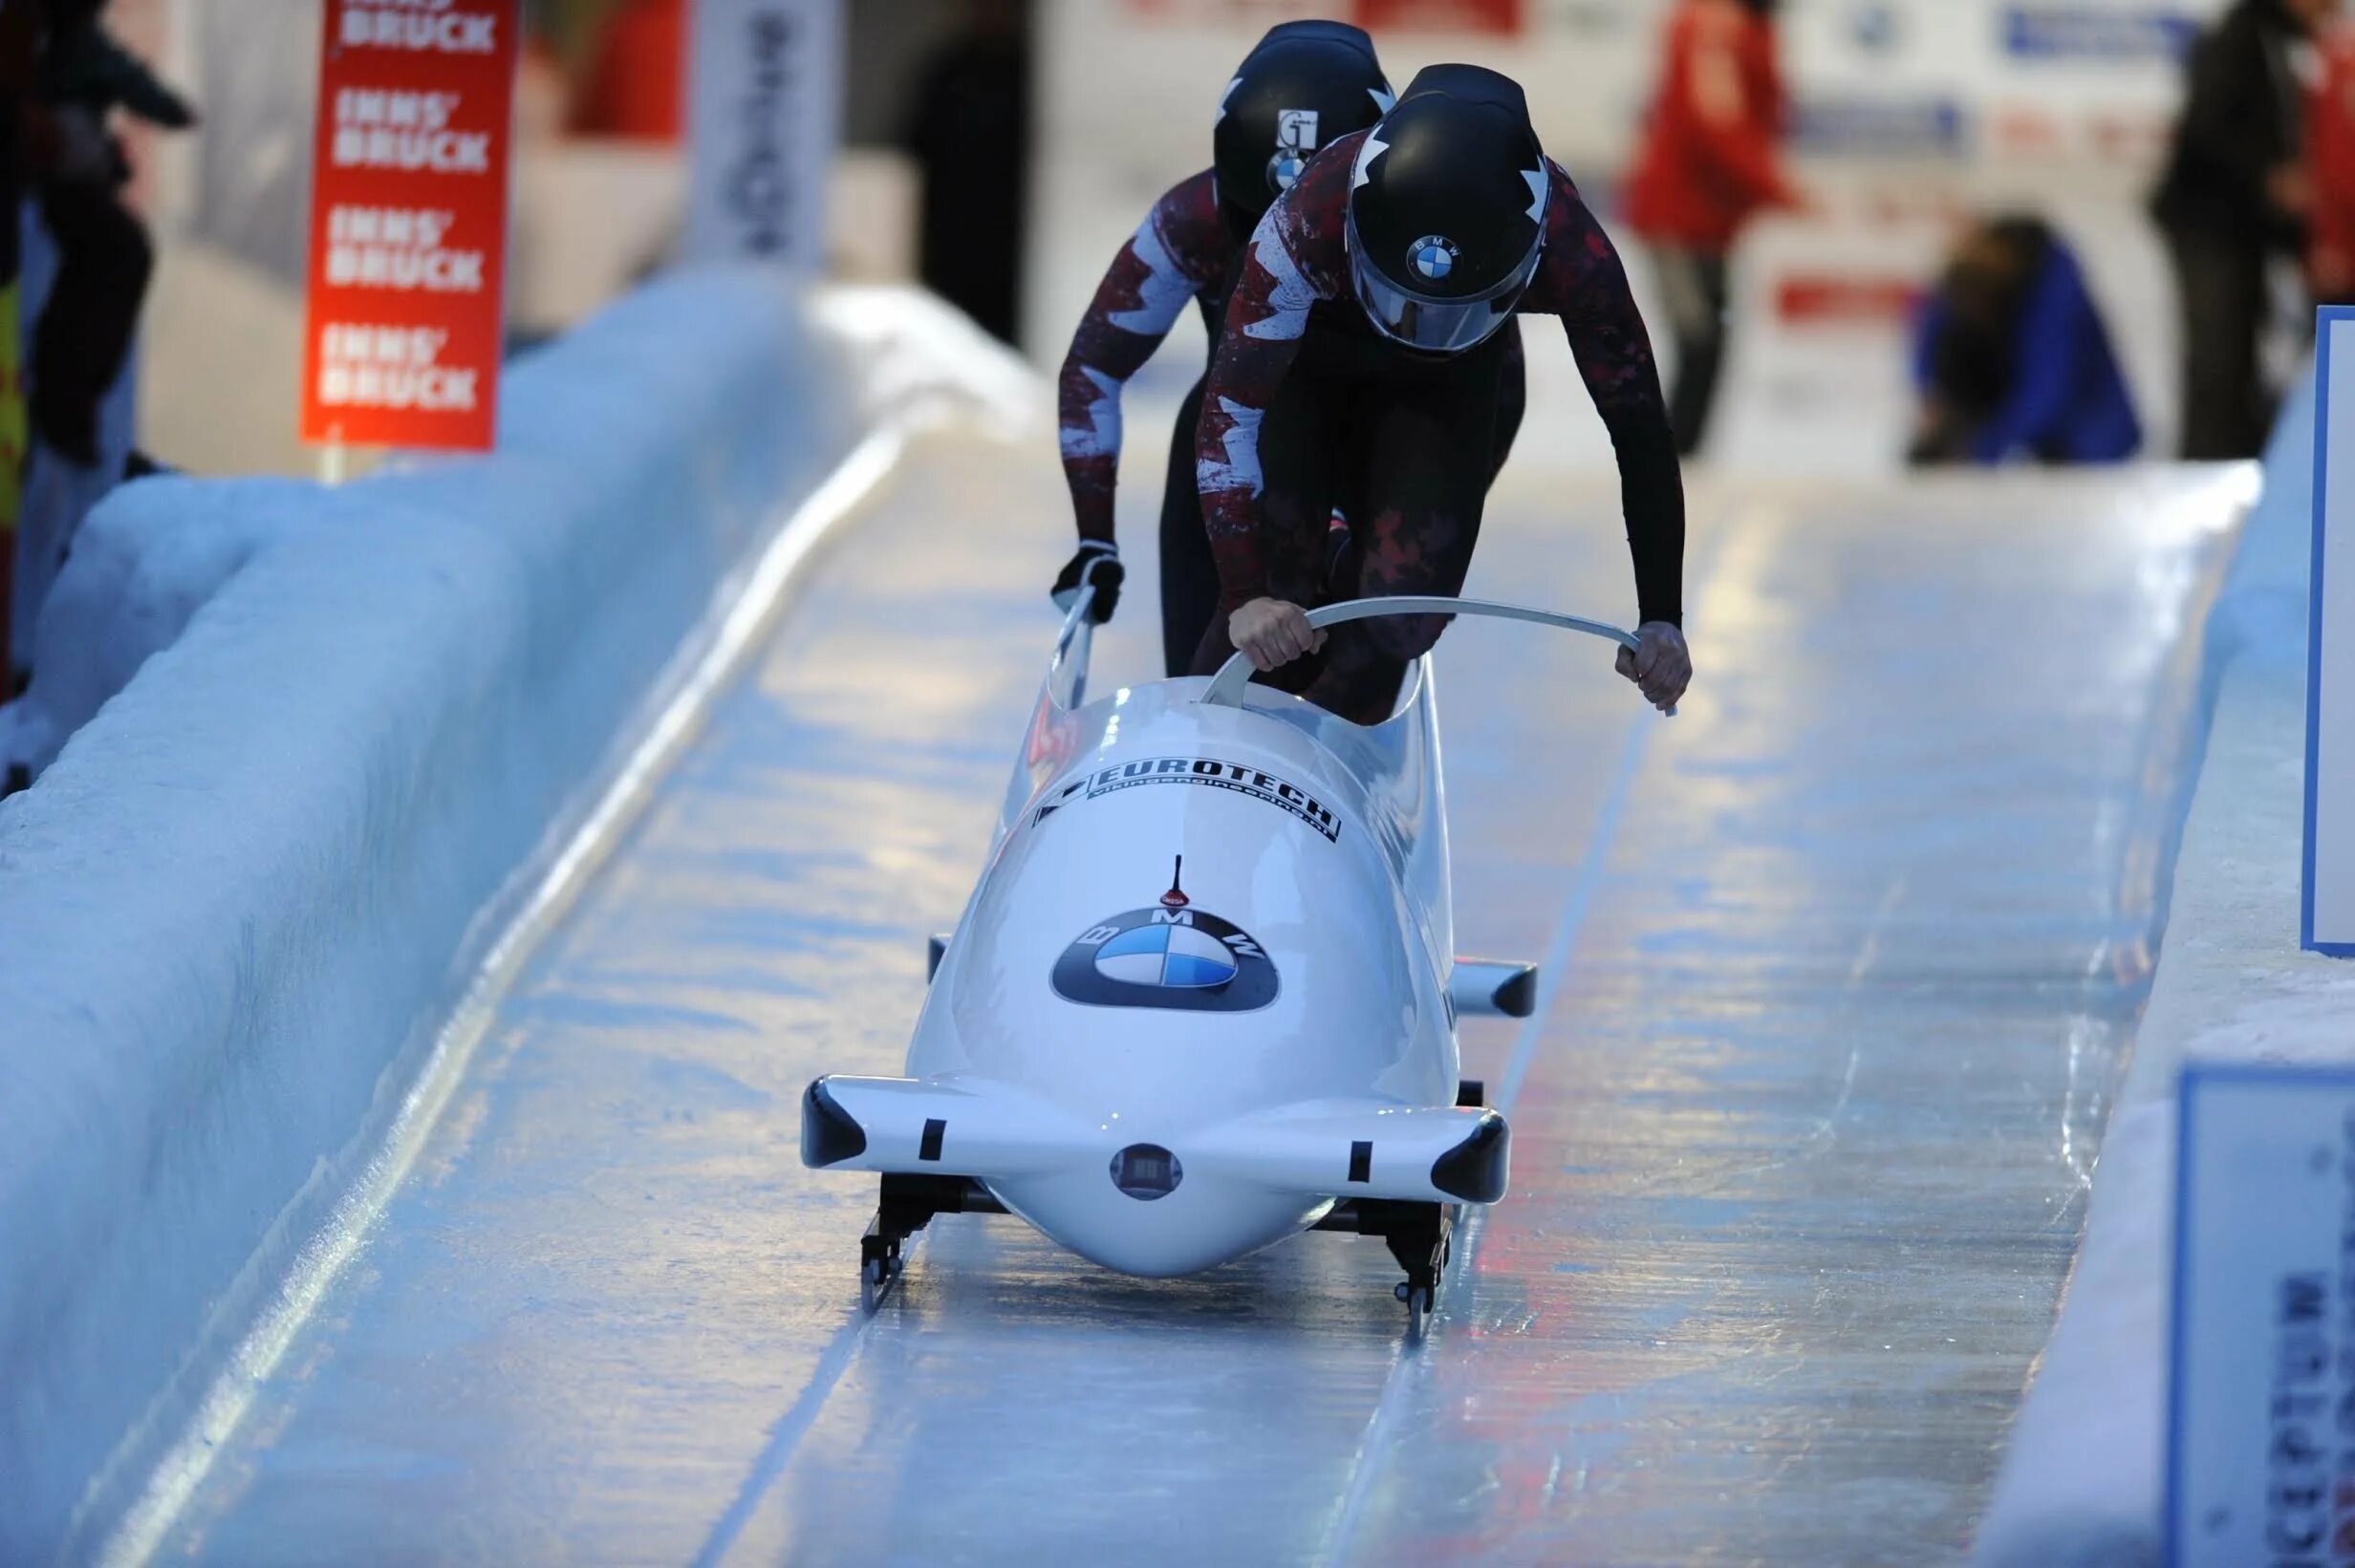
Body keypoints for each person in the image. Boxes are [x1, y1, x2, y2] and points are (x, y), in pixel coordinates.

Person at [1196, 64, 1690, 725]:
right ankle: (1313, 567)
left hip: (1450, 386)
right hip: (1306, 371)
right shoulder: (1310, 215)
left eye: (1444, 311)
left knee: (1405, 622)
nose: (1417, 326)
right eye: (1401, 299)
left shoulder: (1573, 248)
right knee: (1273, 593)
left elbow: (1639, 431)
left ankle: (1347, 656)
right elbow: (1231, 409)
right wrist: (1246, 593)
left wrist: (1662, 614)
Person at [1051, 20, 1528, 677]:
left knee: (1372, 635)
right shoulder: (1188, 221)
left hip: (1387, 444)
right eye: (1257, 225)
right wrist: (1095, 539)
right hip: (1247, 439)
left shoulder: (1440, 241)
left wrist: (1389, 549)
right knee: (1213, 659)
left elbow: (1488, 402)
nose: (1279, 252)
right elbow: (1093, 369)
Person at [2152, 0, 2339, 460]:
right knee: (2219, 361)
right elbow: (2205, 132)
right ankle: (2205, 470)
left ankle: (2230, 462)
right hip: (2209, 227)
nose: (2332, 11)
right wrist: (2269, 177)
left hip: (2243, 230)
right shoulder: (2239, 39)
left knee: (2237, 359)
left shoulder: (2283, 43)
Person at [1623, 0, 1800, 458]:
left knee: (1712, 341)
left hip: (1712, 224)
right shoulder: (1711, 27)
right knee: (1699, 339)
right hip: (1677, 218)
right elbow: (1718, 126)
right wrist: (1781, 191)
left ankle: (1681, 462)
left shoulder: (1743, 28)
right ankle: (1663, 465)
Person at [1908, 217, 2142, 467]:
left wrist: (1987, 449)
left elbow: (2050, 386)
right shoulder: (1958, 287)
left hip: (2086, 439)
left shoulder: (2053, 293)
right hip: (2017, 426)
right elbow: (1928, 356)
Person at [905, 0, 1031, 345]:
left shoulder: (1033, 71)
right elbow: (915, 150)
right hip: (954, 231)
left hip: (1014, 232)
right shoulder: (950, 71)